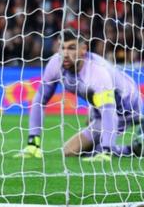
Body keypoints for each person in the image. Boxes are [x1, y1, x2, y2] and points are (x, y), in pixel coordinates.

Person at [19, 29, 144, 162]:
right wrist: (33, 141)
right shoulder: (55, 64)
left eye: (72, 48)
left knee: (101, 147)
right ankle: (128, 148)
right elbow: (40, 99)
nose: (65, 54)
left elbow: (109, 110)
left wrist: (106, 149)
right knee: (69, 151)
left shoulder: (97, 72)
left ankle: (118, 148)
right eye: (62, 48)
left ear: (83, 50)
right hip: (100, 107)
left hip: (128, 106)